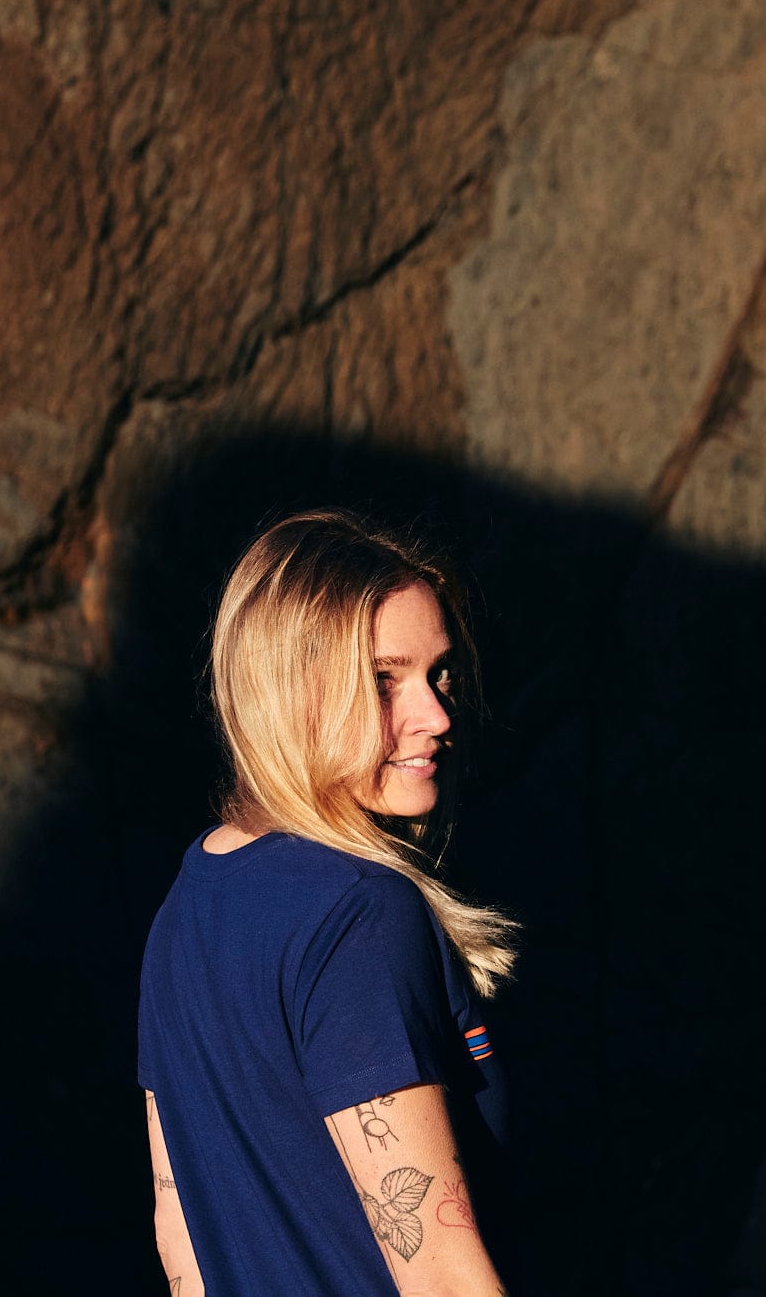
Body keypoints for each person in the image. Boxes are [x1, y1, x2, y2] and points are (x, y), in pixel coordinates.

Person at [138, 508, 517, 1295]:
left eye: (437, 672)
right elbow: (444, 1277)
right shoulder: (361, 916)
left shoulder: (184, 910)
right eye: (384, 680)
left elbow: (183, 1251)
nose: (437, 716)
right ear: (294, 693)